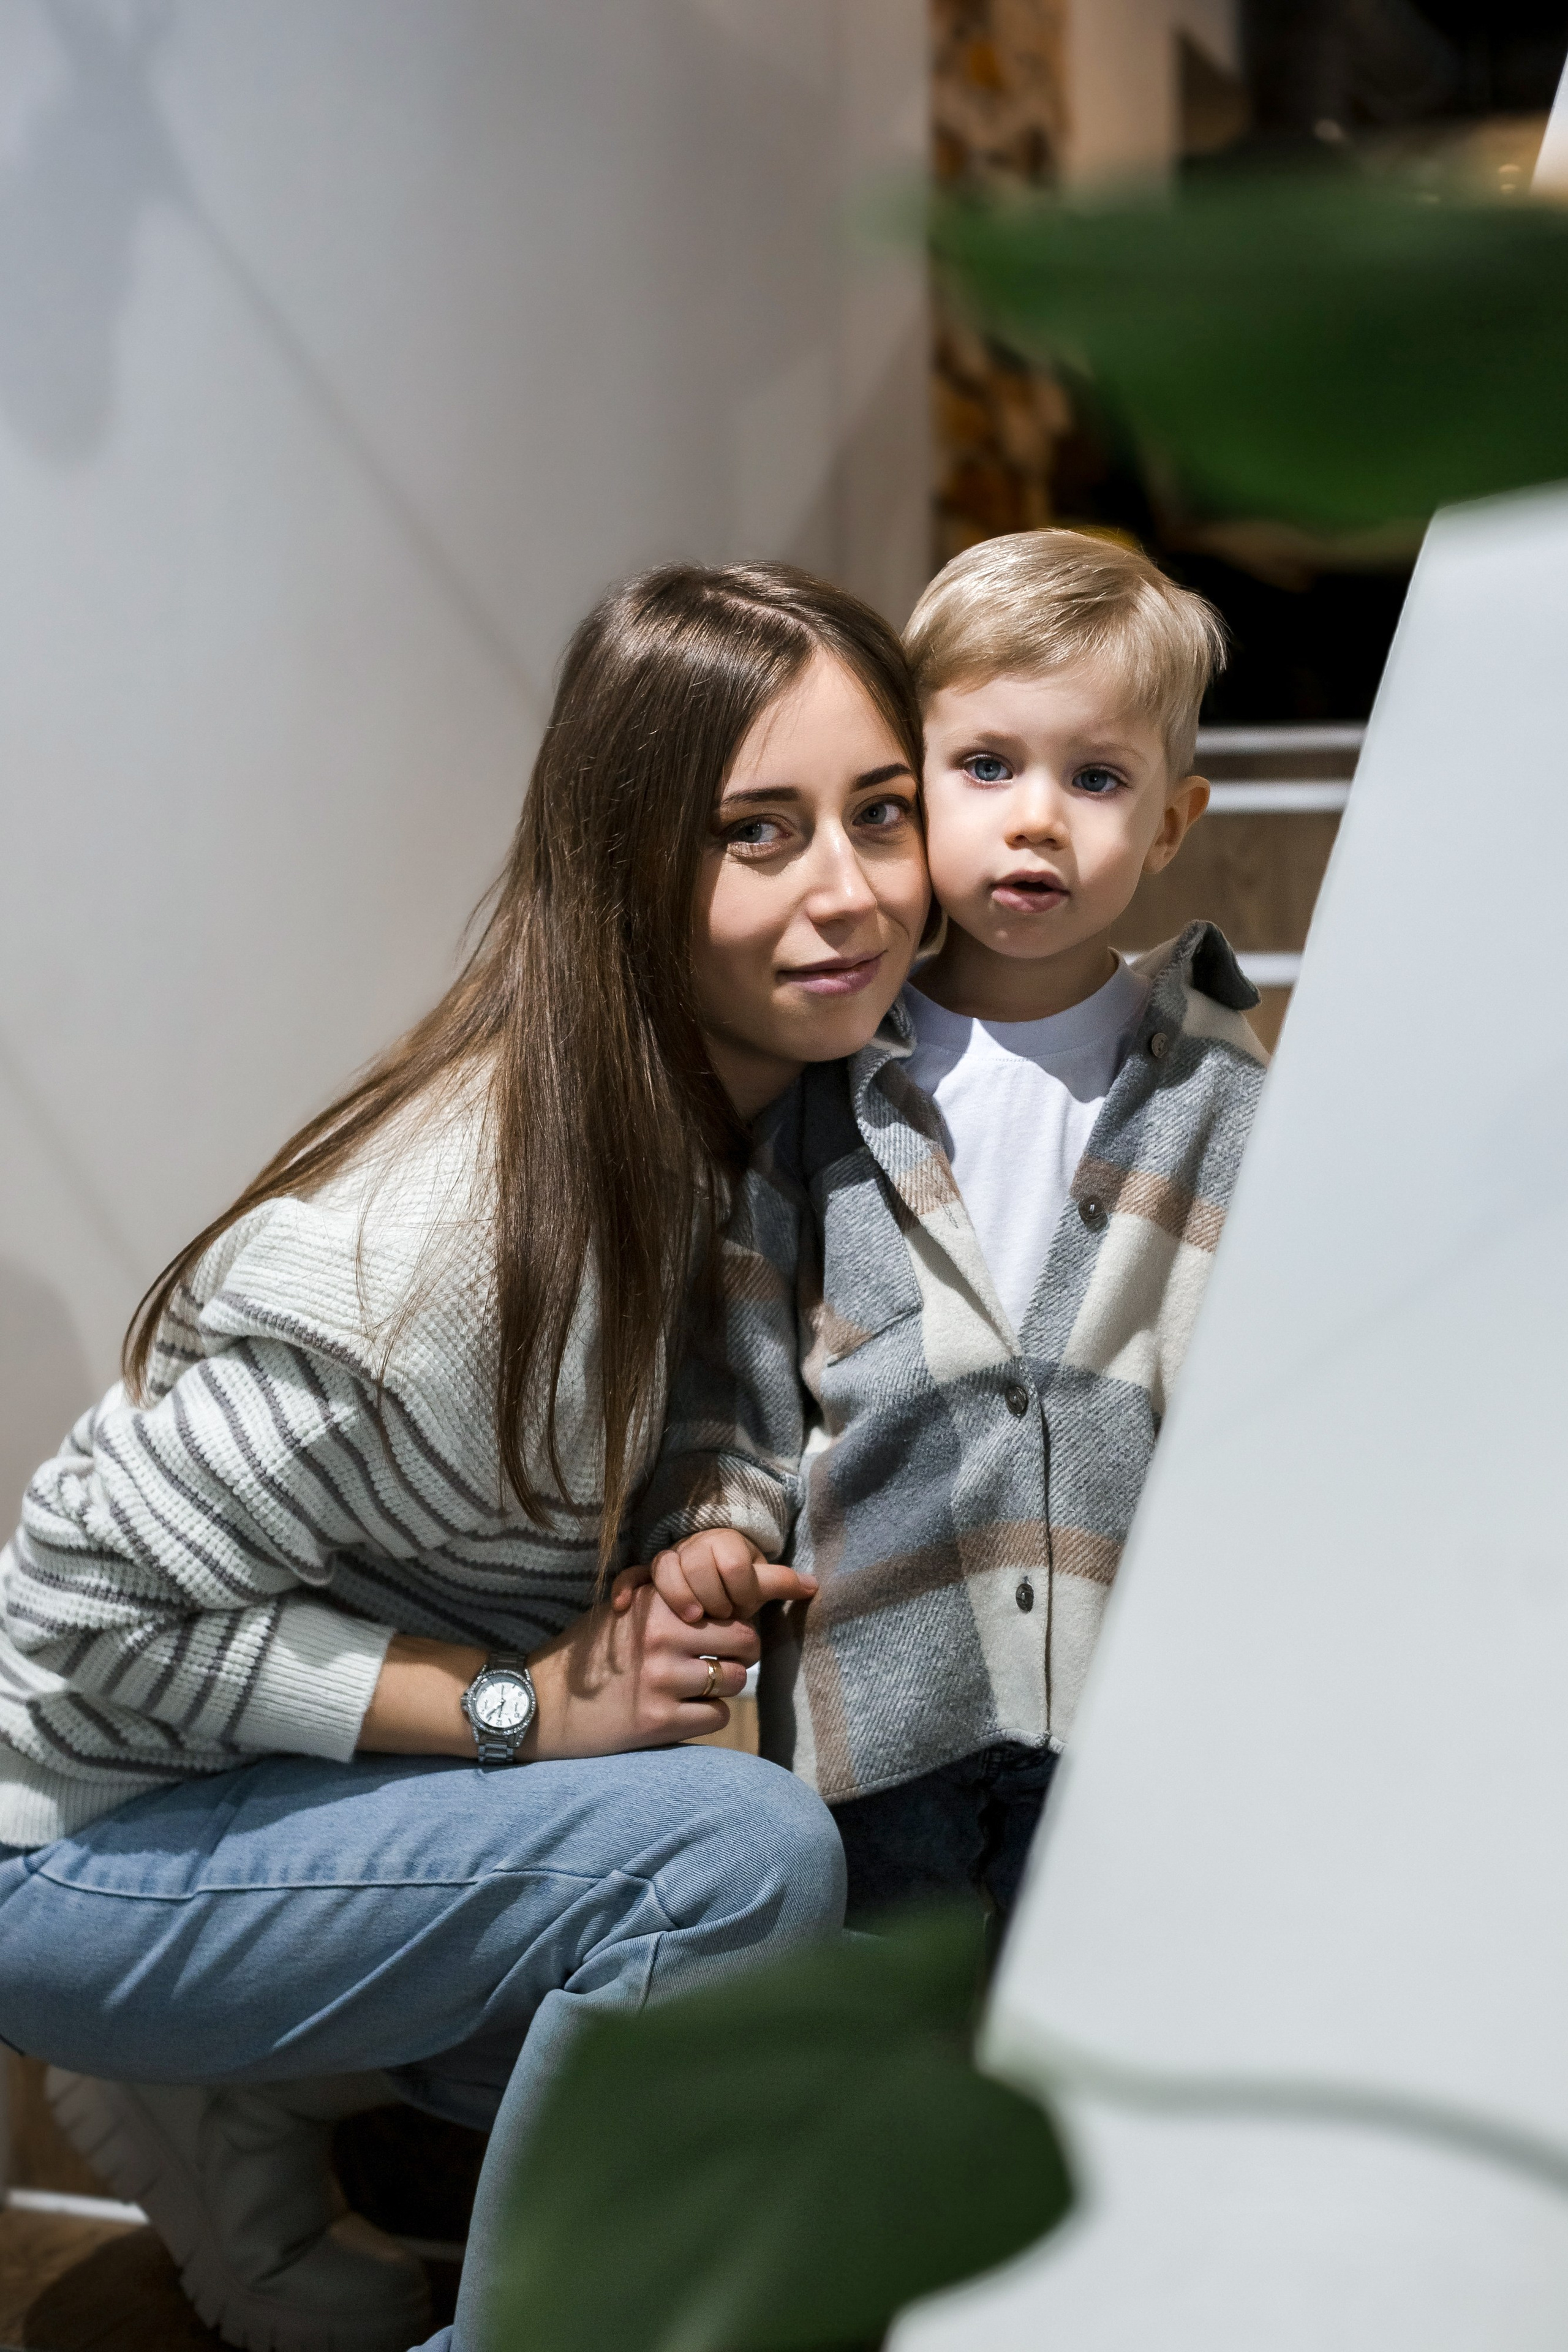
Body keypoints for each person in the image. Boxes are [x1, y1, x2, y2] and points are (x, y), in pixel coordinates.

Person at [0, 561, 932, 2352]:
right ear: (626, 866)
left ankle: (253, 2085)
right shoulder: (461, 1247)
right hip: (73, 1835)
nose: (851, 890)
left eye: (879, 812)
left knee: (803, 2060)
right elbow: (78, 1617)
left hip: (284, 1798)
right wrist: (520, 1708)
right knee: (727, 1864)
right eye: (758, 833)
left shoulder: (793, 1113)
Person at [642, 529, 1268, 1929]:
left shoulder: (1217, 1088)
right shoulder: (829, 1067)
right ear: (908, 791)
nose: (1035, 818)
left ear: (1169, 823)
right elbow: (740, 1353)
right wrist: (712, 1523)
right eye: (985, 766)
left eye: (1094, 779)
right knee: (886, 2029)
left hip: (1125, 1710)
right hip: (879, 1702)